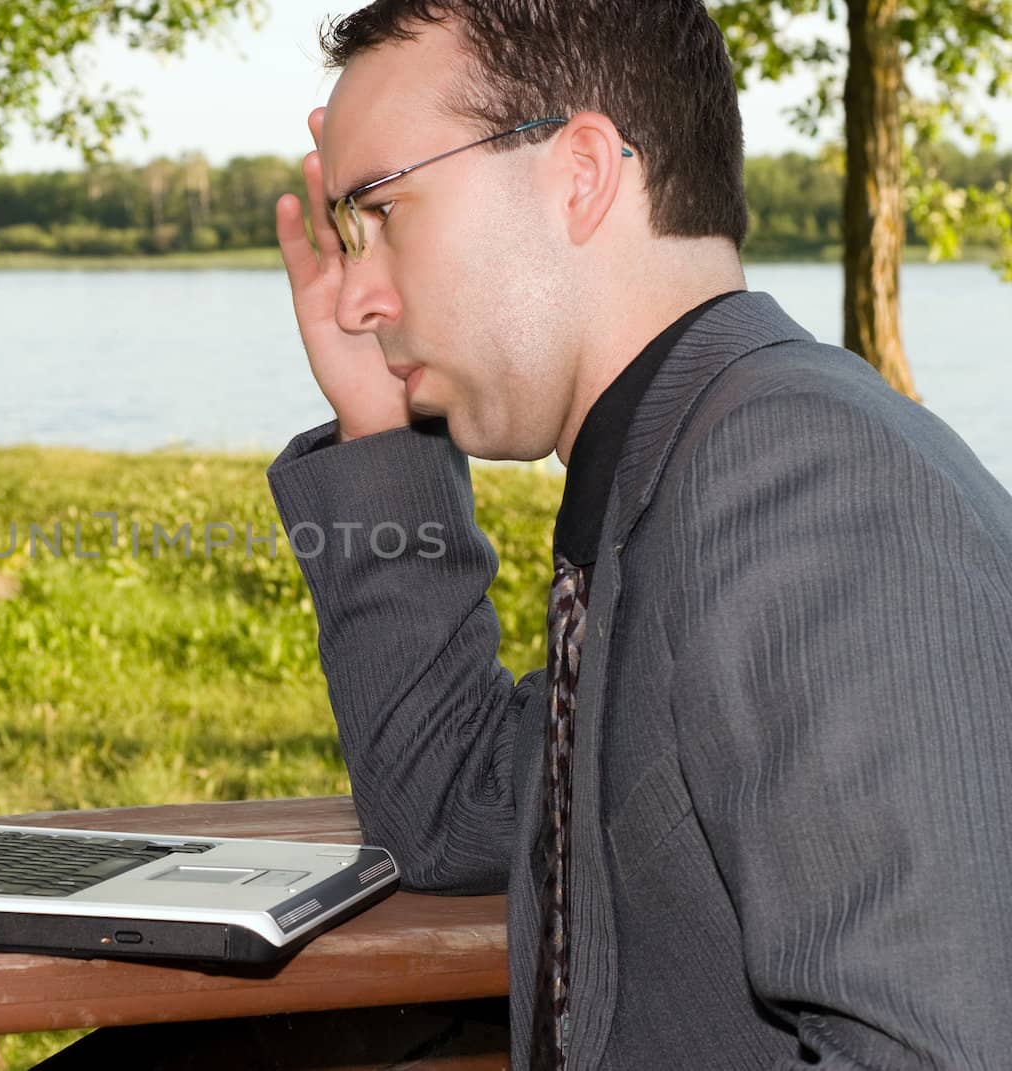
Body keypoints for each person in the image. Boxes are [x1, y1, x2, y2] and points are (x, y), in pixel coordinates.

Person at [265, 2, 1012, 1069]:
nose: (360, 294)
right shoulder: (682, 468)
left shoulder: (801, 484)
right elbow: (448, 811)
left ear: (578, 172)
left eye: (384, 210)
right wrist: (378, 433)